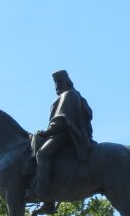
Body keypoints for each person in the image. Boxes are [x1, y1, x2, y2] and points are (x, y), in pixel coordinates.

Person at [28, 70, 94, 201]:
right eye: (55, 82)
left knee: (42, 154)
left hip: (67, 136)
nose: (57, 85)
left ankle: (42, 191)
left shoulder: (68, 95)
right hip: (70, 134)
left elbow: (61, 120)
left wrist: (47, 132)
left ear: (66, 81)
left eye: (59, 82)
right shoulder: (77, 95)